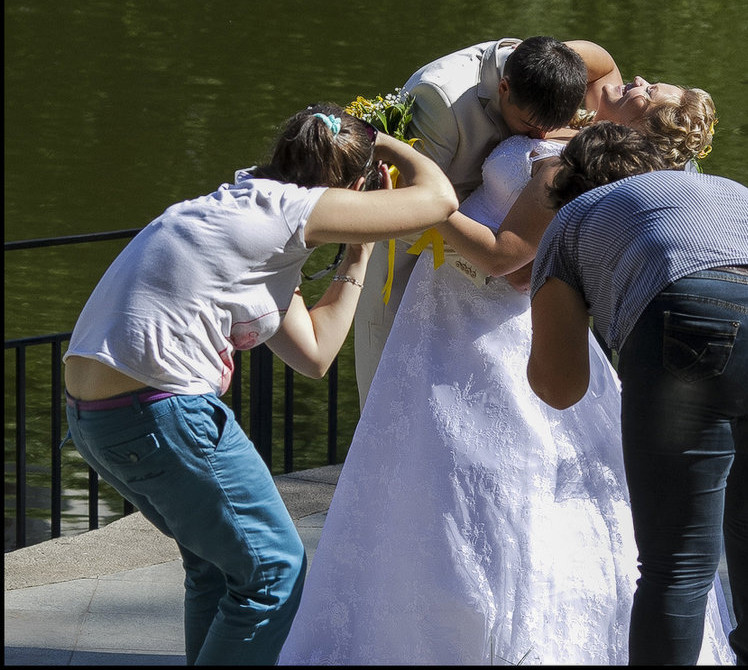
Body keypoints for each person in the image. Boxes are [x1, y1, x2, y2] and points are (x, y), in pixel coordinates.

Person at [279, 122, 735, 664]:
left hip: (510, 296)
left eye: (644, 91)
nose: (632, 87)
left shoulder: (567, 163)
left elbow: (507, 261)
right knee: (432, 454)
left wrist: (414, 198)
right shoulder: (565, 134)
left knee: (529, 449)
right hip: (450, 295)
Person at [62, 103, 458, 666]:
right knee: (275, 573)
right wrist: (388, 145)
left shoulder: (243, 209)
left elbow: (314, 352)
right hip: (159, 409)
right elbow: (440, 201)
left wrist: (357, 252)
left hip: (98, 417)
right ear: (348, 187)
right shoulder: (291, 212)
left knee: (218, 569)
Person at [527, 122, 748, 665]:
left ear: (569, 183)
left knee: (677, 561)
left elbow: (561, 388)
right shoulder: (724, 188)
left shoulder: (575, 218)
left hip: (694, 311)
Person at [352, 35, 622, 407]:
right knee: (398, 402)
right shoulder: (440, 99)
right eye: (529, 123)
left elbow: (604, 66)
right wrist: (504, 257)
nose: (542, 137)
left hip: (505, 278)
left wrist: (530, 252)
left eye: (553, 125)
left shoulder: (553, 68)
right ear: (505, 87)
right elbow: (402, 201)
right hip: (414, 267)